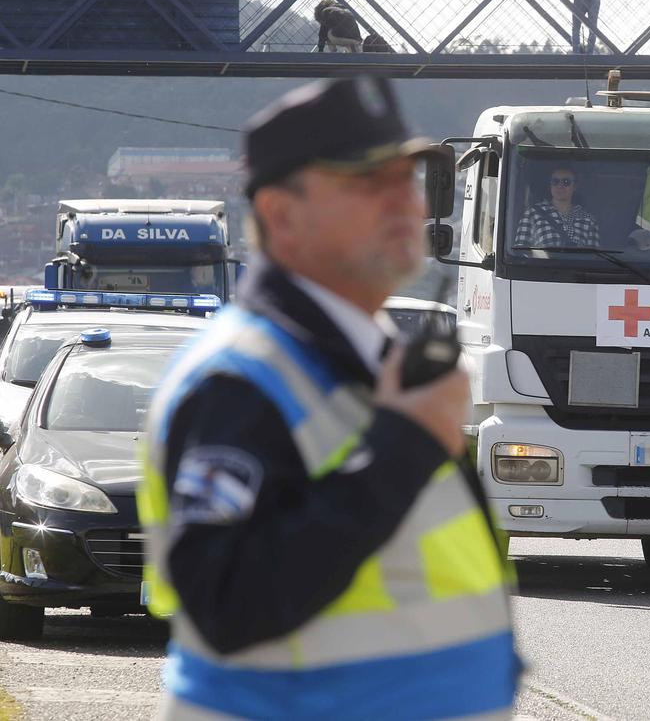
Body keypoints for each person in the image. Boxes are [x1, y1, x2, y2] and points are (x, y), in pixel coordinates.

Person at [138, 77, 520, 719]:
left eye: (409, 176)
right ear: (282, 215)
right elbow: (226, 602)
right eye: (367, 182)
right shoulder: (239, 379)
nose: (405, 200)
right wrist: (405, 446)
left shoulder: (355, 350)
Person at [513, 164, 601, 248]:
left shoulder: (588, 220)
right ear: (550, 185)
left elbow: (593, 257)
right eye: (555, 181)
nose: (560, 186)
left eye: (566, 182)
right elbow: (521, 254)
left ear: (575, 187)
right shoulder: (532, 214)